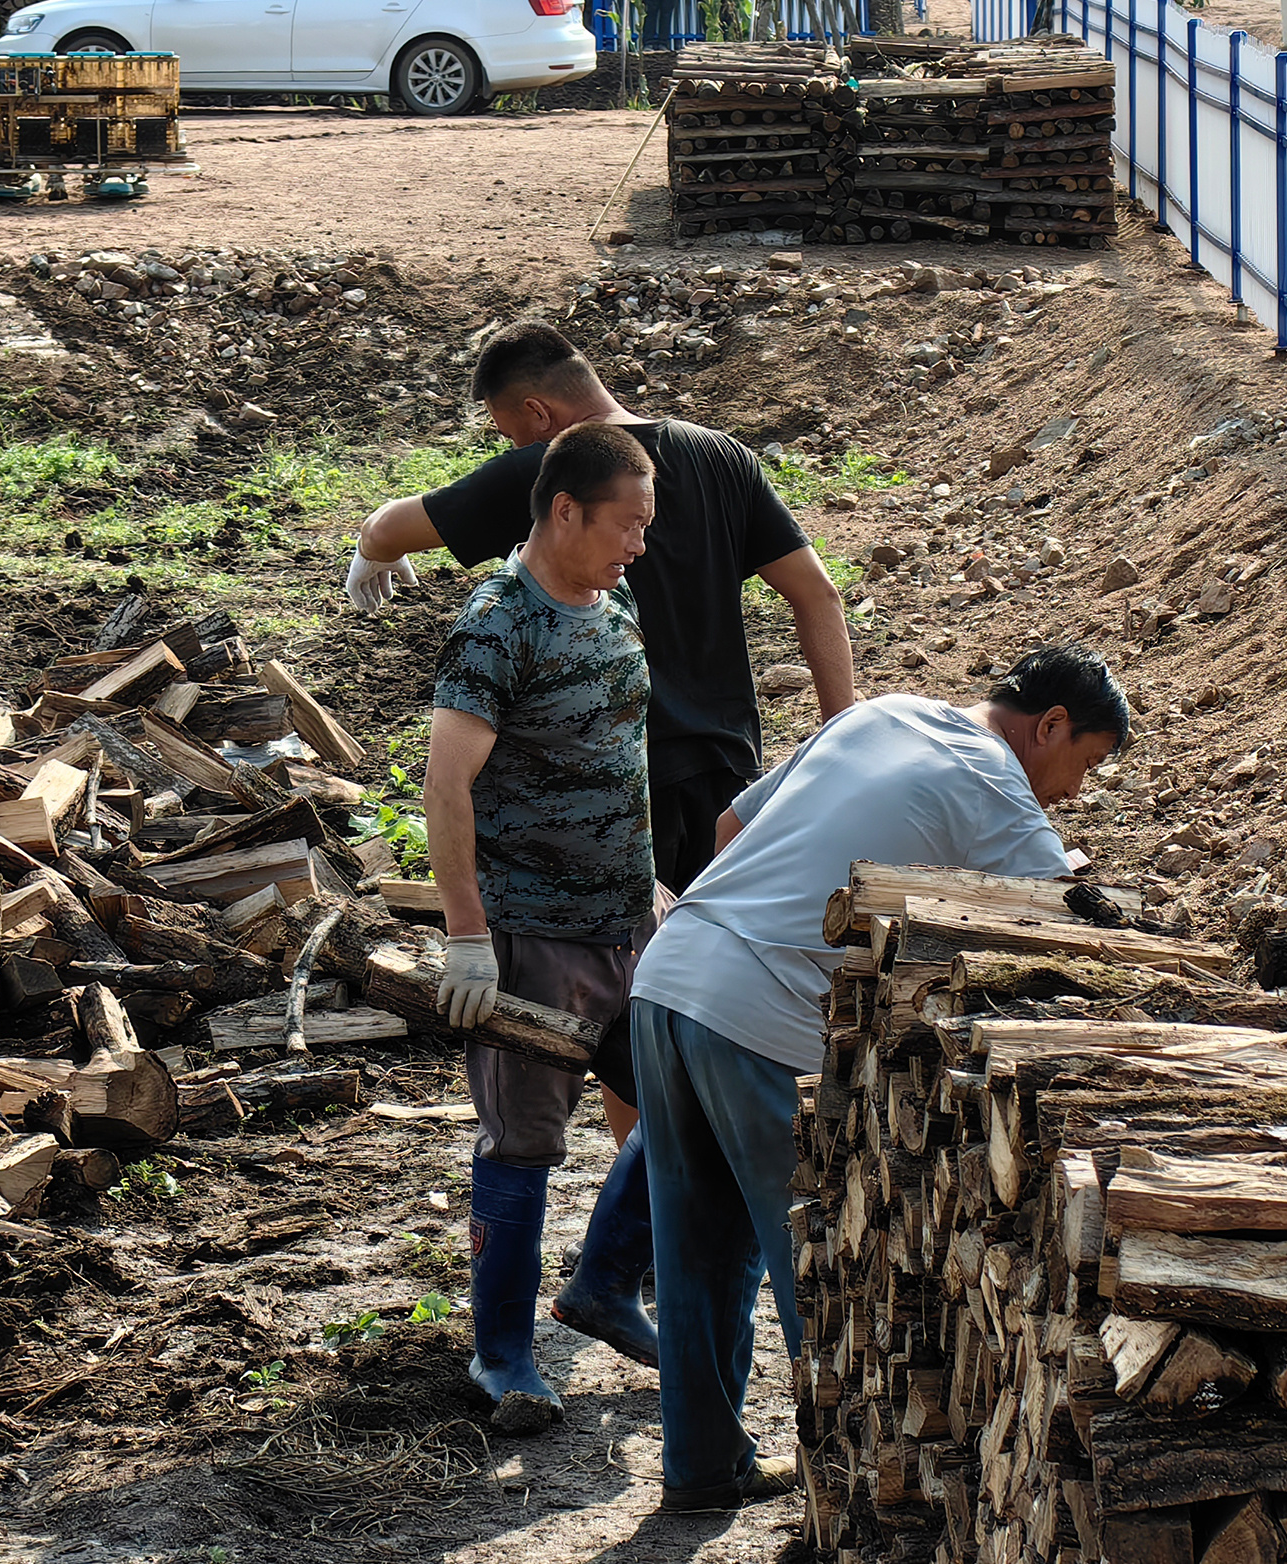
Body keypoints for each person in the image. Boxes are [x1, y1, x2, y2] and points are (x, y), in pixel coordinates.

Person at [622, 647, 1133, 1511]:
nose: (1073, 792)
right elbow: (1075, 936)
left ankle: (702, 1473)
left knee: (694, 1246)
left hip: (668, 975)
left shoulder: (881, 711)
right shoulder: (994, 785)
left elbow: (729, 832)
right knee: (807, 1263)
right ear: (1048, 726)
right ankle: (846, 1497)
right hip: (759, 1013)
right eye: (1081, 764)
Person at [349, 319, 857, 892]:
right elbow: (818, 593)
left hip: (614, 785)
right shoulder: (722, 455)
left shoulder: (551, 474)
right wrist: (839, 737)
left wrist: (370, 548)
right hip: (730, 772)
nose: (515, 447)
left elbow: (391, 527)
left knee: (623, 963)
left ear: (538, 413)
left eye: (511, 432)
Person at [423, 422, 665, 1434]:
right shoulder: (495, 624)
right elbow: (445, 787)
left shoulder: (614, 601)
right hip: (530, 934)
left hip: (625, 923)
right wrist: (468, 932)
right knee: (523, 1143)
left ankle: (604, 1281)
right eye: (625, 524)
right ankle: (503, 1356)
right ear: (564, 510)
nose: (638, 544)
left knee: (681, 1104)